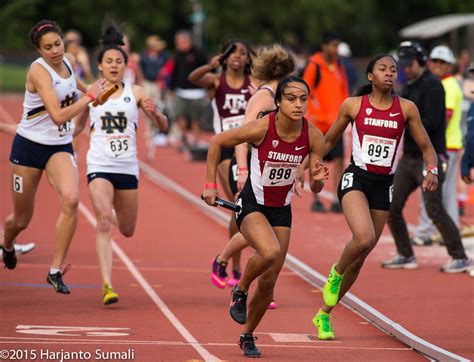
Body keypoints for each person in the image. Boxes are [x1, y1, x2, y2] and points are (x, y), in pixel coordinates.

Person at [312, 54, 439, 340]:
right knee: (364, 238)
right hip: (356, 178)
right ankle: (335, 272)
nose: (389, 73)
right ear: (370, 76)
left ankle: (323, 314)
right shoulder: (353, 105)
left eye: (393, 70)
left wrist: (433, 170)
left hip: (384, 185)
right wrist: (312, 165)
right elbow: (328, 139)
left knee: (361, 257)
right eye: (382, 69)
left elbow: (427, 146)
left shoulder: (406, 109)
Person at [203, 76, 329, 357]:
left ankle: (247, 335)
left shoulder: (314, 136)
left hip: (281, 209)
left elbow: (317, 184)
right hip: (252, 204)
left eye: (303, 99)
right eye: (291, 98)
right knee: (269, 252)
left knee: (270, 283)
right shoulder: (263, 127)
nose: (298, 104)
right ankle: (241, 288)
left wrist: (318, 179)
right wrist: (210, 185)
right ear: (279, 102)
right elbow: (216, 142)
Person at [1, 20, 106, 294]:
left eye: (57, 44)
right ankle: (7, 243)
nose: (55, 51)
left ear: (63, 42)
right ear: (38, 50)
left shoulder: (69, 59)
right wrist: (90, 98)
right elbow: (58, 114)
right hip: (28, 147)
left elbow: (73, 82)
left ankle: (55, 270)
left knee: (71, 199)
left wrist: (89, 88)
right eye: (47, 48)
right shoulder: (38, 72)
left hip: (59, 146)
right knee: (21, 220)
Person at [74, 24, 168, 304]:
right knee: (103, 221)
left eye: (118, 61)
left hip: (127, 167)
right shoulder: (91, 93)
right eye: (108, 62)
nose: (114, 65)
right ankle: (107, 286)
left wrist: (156, 114)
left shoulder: (136, 92)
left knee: (127, 229)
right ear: (100, 66)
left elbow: (162, 125)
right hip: (99, 164)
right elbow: (78, 127)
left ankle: (113, 215)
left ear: (125, 66)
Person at [210, 45, 296, 310]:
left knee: (264, 225)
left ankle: (251, 279)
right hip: (247, 163)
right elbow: (245, 134)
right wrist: (243, 169)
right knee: (252, 219)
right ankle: (227, 261)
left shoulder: (275, 97)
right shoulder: (263, 98)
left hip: (269, 168)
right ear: (283, 73)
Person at [382, 42, 471, 272]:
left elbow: (431, 123)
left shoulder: (433, 86)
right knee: (391, 206)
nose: (406, 70)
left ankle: (459, 256)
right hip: (409, 157)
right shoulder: (409, 87)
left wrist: (403, 122)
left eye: (408, 65)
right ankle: (405, 254)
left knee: (434, 208)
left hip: (430, 156)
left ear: (421, 62)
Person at [189, 40, 253, 287]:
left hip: (248, 148)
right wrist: (210, 65)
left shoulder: (253, 85)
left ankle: (232, 263)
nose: (238, 57)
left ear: (248, 59)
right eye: (233, 53)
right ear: (225, 57)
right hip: (226, 149)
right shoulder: (217, 81)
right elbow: (193, 78)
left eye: (243, 53)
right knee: (240, 203)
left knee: (243, 206)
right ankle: (235, 266)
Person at [412, 45, 463, 245]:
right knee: (446, 192)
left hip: (443, 147)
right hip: (449, 146)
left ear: (450, 65)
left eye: (443, 62)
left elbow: (446, 117)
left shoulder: (446, 86)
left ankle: (425, 233)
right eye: (435, 61)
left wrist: (427, 143)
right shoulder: (442, 84)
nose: (438, 65)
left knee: (430, 189)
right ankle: (450, 232)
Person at [303, 31, 349, 213]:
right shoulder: (314, 65)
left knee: (338, 160)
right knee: (316, 160)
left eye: (337, 45)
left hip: (336, 124)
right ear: (324, 46)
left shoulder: (339, 66)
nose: (335, 49)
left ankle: (336, 199)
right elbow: (305, 92)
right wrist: (315, 116)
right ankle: (316, 199)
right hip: (318, 125)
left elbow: (344, 92)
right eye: (332, 45)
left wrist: (345, 116)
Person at [169, 30, 208, 149]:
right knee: (179, 115)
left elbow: (206, 71)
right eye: (177, 43)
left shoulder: (199, 54)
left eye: (181, 42)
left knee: (196, 118)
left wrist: (206, 88)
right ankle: (184, 137)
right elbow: (174, 72)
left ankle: (195, 139)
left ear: (188, 41)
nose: (179, 45)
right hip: (181, 91)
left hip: (197, 92)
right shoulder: (176, 55)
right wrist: (171, 88)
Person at [139, 35, 169, 157]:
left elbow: (166, 68)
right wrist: (141, 80)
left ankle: (156, 127)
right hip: (147, 82)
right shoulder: (144, 56)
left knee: (157, 106)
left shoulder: (162, 56)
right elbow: (140, 68)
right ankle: (149, 128)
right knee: (146, 105)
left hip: (157, 83)